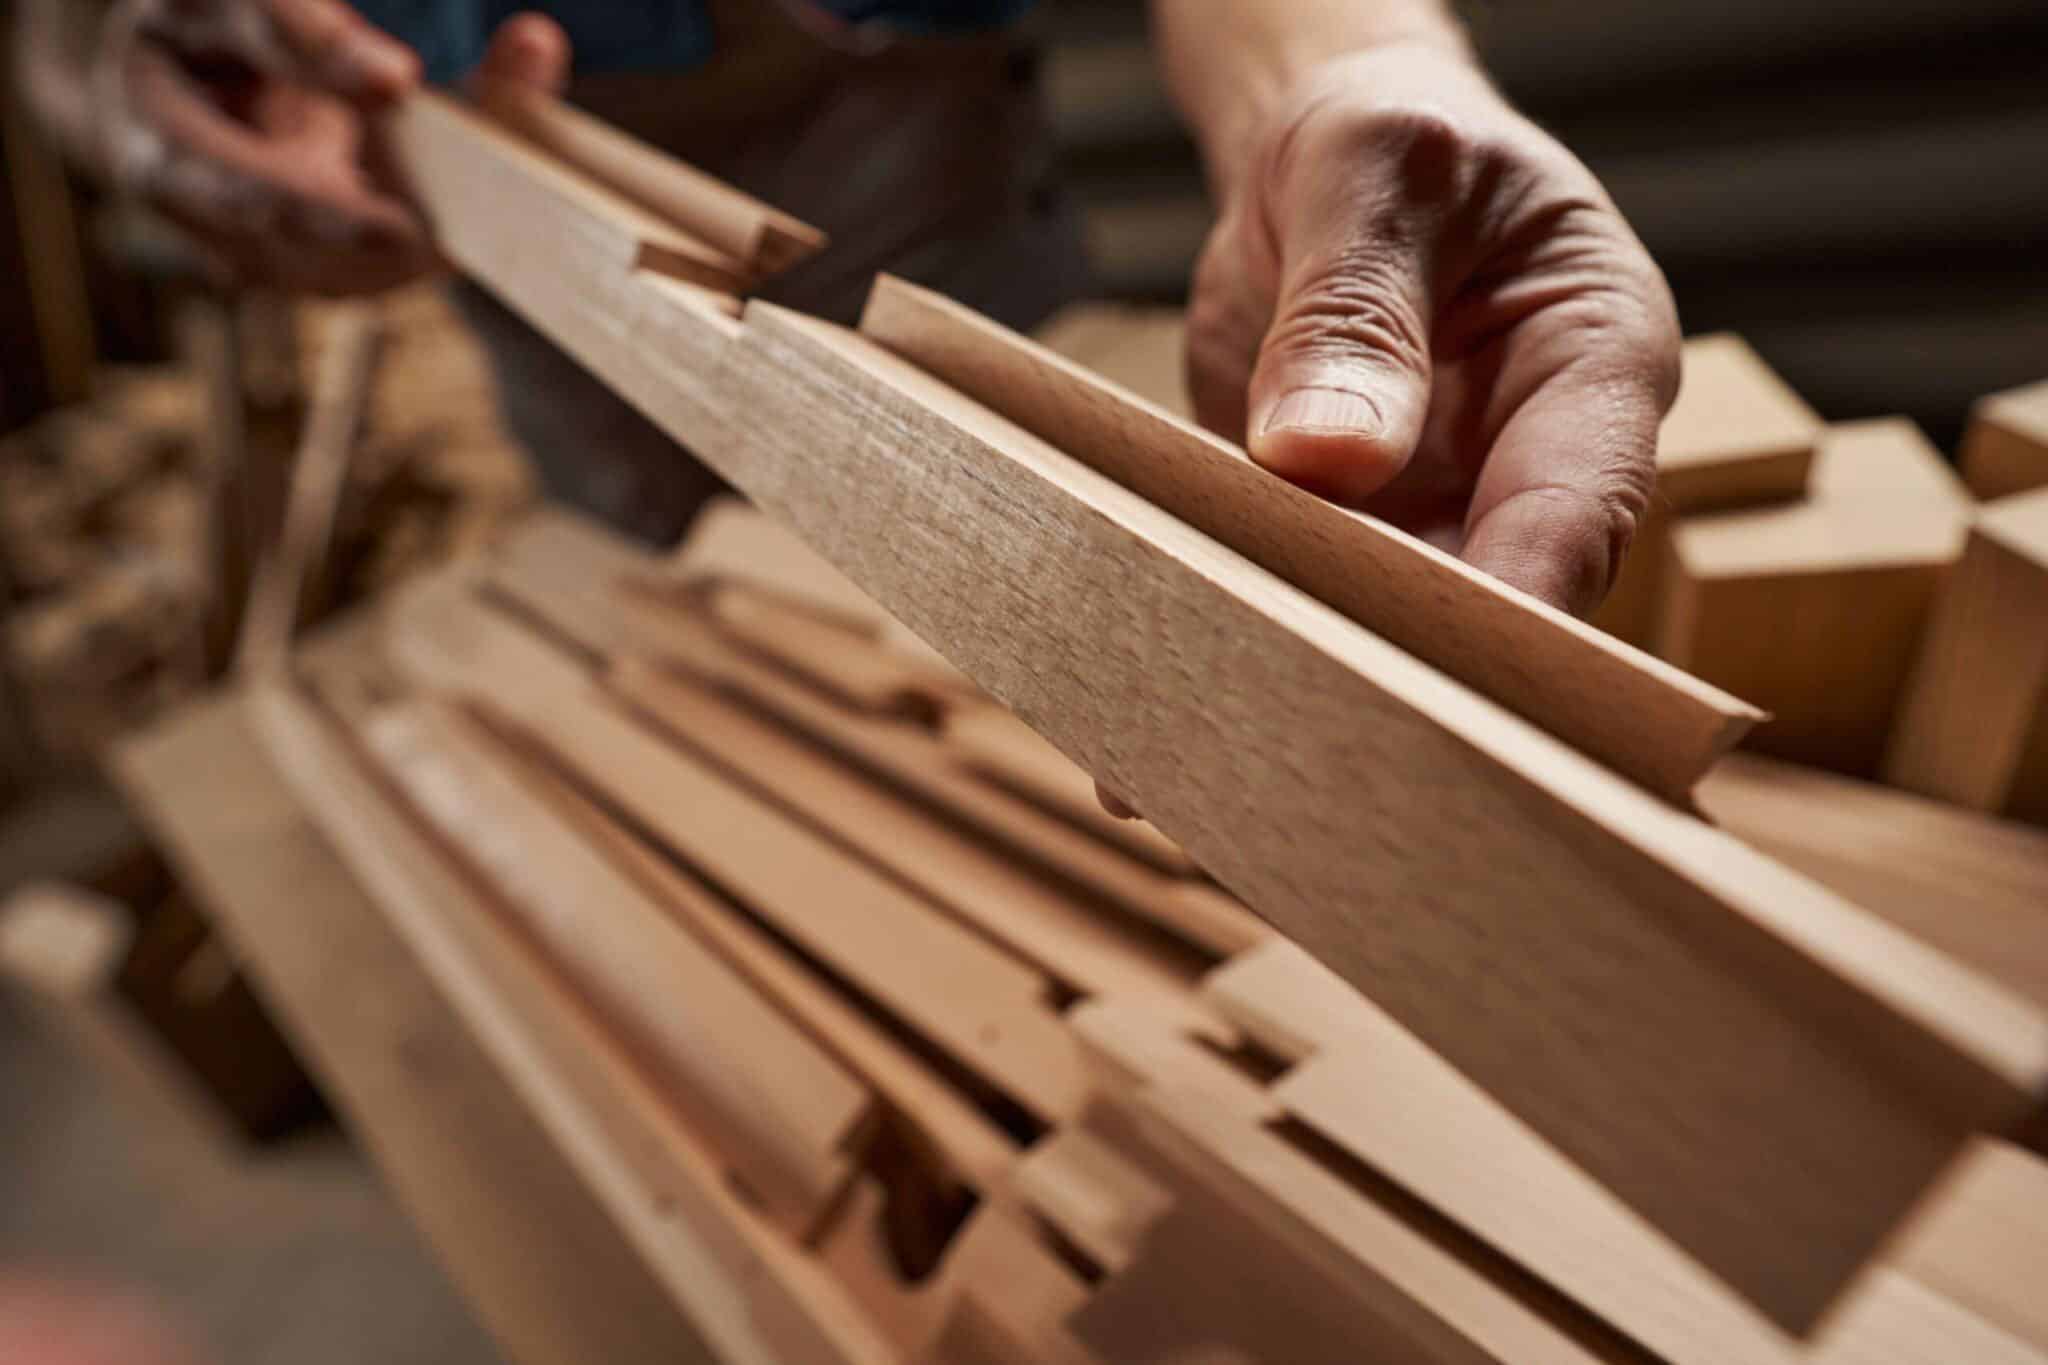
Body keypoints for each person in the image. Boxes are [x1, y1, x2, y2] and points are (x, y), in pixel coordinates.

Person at [17, 0, 1679, 616]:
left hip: (904, 121)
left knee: (1026, 571)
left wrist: (1345, 71)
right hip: (475, 155)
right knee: (682, 598)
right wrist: (101, 59)